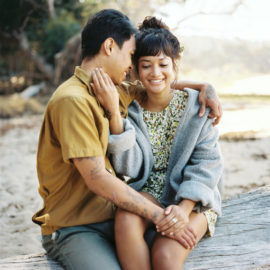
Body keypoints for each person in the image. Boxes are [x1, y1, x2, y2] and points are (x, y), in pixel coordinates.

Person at [33, 9, 222, 270]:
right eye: (132, 55)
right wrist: (159, 216)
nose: (132, 65)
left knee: (156, 252)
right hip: (76, 226)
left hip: (107, 216)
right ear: (110, 46)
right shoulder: (73, 100)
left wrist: (204, 87)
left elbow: (157, 85)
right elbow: (98, 177)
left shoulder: (110, 89)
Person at [92, 17, 223, 270]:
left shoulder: (197, 106)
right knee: (125, 218)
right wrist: (113, 116)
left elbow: (207, 165)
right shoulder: (130, 108)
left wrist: (184, 210)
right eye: (146, 65)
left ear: (175, 65)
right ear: (136, 69)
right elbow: (128, 167)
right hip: (149, 194)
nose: (155, 73)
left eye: (163, 64)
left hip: (195, 199)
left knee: (164, 256)